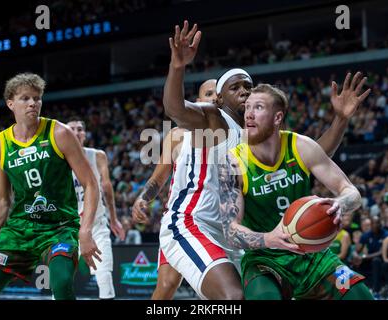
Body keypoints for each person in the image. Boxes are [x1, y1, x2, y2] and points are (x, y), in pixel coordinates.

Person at [161, 20, 370, 299]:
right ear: (220, 100)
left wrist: (341, 120)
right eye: (236, 88)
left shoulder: (272, 137)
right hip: (198, 221)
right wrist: (178, 66)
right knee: (214, 295)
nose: (245, 93)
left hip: (239, 234)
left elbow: (316, 156)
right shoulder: (215, 119)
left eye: (249, 88)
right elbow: (175, 109)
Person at [218, 83, 373, 299]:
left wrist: (340, 204)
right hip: (265, 260)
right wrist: (268, 238)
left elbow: (351, 193)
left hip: (313, 257)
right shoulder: (232, 162)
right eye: (248, 107)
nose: (249, 115)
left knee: (361, 295)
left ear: (277, 118)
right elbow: (230, 230)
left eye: (259, 107)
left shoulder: (301, 146)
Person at [0, 73, 101, 300]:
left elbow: (90, 184)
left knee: (61, 284)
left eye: (37, 98)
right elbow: (2, 199)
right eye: (25, 98)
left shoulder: (60, 132)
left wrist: (86, 230)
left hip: (60, 226)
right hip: (20, 228)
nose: (33, 103)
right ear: (10, 104)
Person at [132, 79, 217, 300]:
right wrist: (144, 198)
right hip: (183, 220)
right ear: (198, 103)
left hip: (219, 221)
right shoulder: (178, 135)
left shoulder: (236, 134)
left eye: (218, 94)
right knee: (167, 284)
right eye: (209, 94)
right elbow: (159, 177)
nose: (215, 97)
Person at [67, 118, 125, 300]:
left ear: (84, 134)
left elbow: (107, 188)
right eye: (72, 129)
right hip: (68, 227)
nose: (76, 132)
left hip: (96, 225)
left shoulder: (97, 155)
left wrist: (114, 218)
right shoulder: (57, 160)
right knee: (60, 280)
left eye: (80, 129)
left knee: (104, 277)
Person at [358, 216, 388, 298]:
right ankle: (361, 289)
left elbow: (382, 251)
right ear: (371, 225)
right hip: (368, 259)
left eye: (377, 223)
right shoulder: (367, 234)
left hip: (383, 258)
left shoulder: (386, 234)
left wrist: (365, 256)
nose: (375, 225)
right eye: (373, 223)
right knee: (356, 263)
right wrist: (355, 256)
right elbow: (357, 249)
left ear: (380, 224)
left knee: (376, 261)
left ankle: (376, 290)